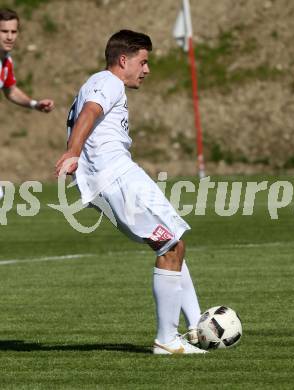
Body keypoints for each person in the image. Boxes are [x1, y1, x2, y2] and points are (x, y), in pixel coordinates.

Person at [56, 29, 206, 355]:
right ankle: (167, 339)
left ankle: (197, 325)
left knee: (174, 238)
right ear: (123, 60)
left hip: (123, 172)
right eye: (143, 61)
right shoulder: (107, 82)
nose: (147, 70)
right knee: (169, 245)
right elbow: (90, 113)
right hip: (115, 177)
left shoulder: (106, 84)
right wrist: (73, 153)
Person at [0, 8, 54, 199]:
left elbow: (10, 90)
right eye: (4, 31)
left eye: (13, 32)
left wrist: (34, 104)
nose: (9, 37)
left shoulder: (5, 61)